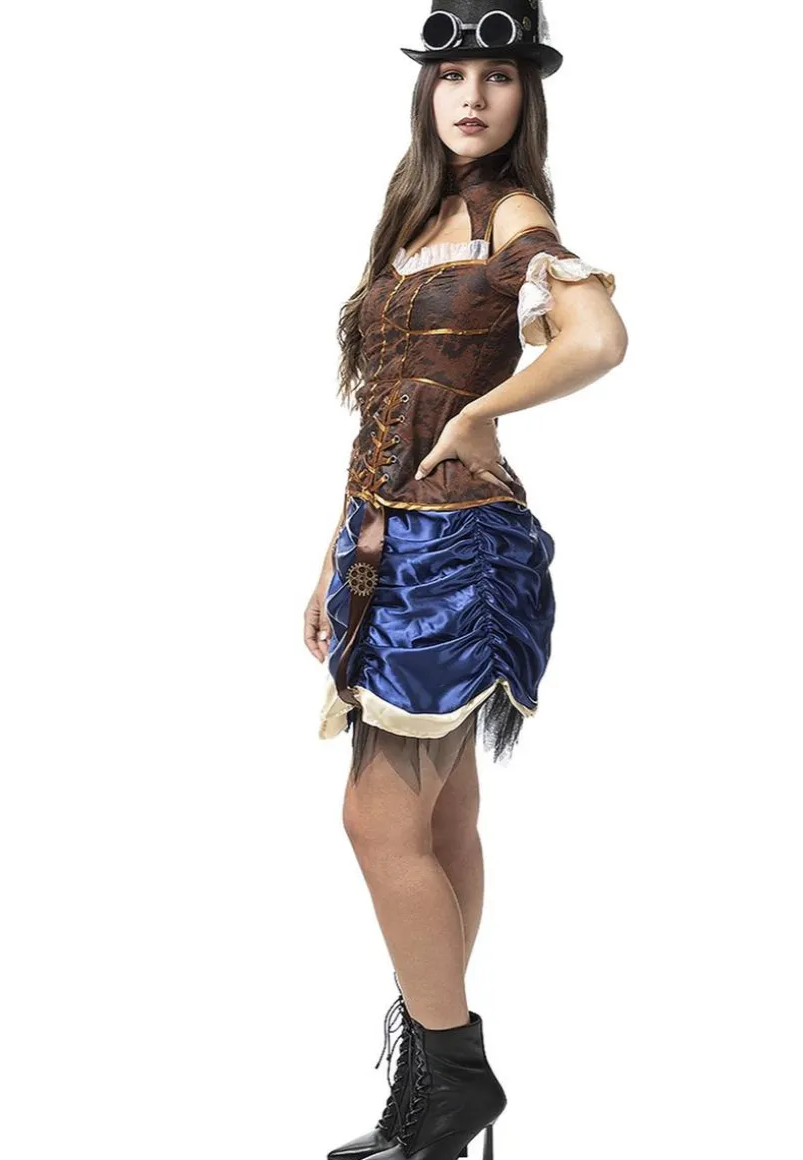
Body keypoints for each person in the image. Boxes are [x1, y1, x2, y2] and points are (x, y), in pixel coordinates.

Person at [301, 3, 627, 1156]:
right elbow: (384, 412)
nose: (472, 95)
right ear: (425, 89)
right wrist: (333, 549)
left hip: (453, 550)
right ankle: (429, 1087)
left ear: (525, 95)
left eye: (497, 75)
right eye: (452, 74)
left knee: (374, 816)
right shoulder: (415, 216)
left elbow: (595, 339)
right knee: (439, 819)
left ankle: (453, 1073)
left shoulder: (512, 214)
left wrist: (485, 411)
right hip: (384, 540)